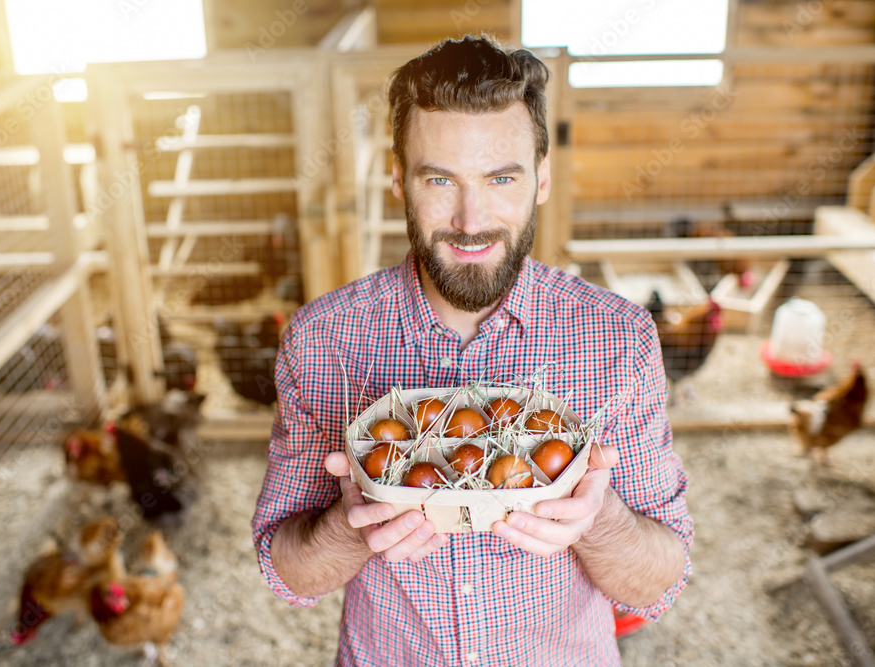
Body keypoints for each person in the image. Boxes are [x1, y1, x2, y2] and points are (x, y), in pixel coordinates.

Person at [252, 35, 692, 666]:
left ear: (541, 178)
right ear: (399, 179)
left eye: (501, 177)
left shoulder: (616, 339)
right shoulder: (323, 340)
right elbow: (288, 574)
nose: (470, 218)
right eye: (440, 179)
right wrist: (351, 528)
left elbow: (659, 582)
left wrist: (597, 518)